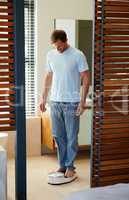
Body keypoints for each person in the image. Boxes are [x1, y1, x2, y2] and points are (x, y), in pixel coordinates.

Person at [40, 30, 90, 178]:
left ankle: (70, 167)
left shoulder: (78, 55)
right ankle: (62, 165)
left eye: (60, 46)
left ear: (66, 40)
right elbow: (48, 77)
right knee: (58, 135)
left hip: (72, 102)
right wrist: (43, 98)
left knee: (72, 136)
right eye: (55, 46)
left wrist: (82, 102)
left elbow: (86, 78)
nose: (58, 49)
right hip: (55, 101)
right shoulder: (51, 55)